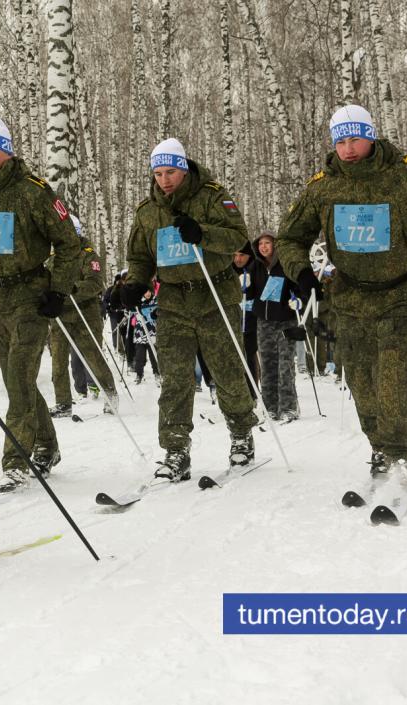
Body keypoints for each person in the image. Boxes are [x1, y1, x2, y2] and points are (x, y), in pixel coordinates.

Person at [276, 105, 407, 495]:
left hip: (402, 294)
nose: (348, 149)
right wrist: (302, 274)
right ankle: (380, 449)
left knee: (393, 377)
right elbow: (289, 237)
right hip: (349, 298)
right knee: (361, 382)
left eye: (355, 139)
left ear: (371, 136)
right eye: (340, 141)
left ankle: (402, 456)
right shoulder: (323, 186)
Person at [123, 138, 257, 480]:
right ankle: (175, 449)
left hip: (214, 296)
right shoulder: (147, 212)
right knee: (176, 380)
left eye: (171, 172)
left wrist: (203, 233)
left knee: (226, 372)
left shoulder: (212, 196)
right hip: (173, 301)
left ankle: (241, 433)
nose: (165, 180)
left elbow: (238, 238)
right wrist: (136, 284)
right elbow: (139, 256)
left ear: (184, 168)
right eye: (158, 173)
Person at [0, 116, 82, 492]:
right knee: (16, 379)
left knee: (17, 375)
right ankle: (47, 444)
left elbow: (69, 242)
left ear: (7, 152)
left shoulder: (33, 191)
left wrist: (59, 289)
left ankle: (16, 460)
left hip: (29, 293)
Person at [47, 215, 117, 417]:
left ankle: (110, 393)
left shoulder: (88, 255)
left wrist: (70, 290)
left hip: (85, 312)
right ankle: (63, 402)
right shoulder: (54, 257)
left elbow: (94, 283)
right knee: (58, 360)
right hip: (60, 315)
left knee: (92, 356)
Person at [245, 230, 300, 422]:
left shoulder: (285, 265)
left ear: (275, 245)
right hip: (264, 322)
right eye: (260, 244)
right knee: (267, 365)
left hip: (286, 319)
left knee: (285, 365)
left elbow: (298, 288)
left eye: (267, 243)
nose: (263, 247)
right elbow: (250, 292)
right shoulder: (255, 266)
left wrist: (297, 300)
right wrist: (244, 286)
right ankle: (270, 407)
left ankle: (289, 407)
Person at [232, 244, 259, 399]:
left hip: (251, 322)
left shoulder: (256, 269)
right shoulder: (229, 271)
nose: (238, 259)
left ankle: (252, 393)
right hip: (232, 320)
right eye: (235, 255)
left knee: (249, 356)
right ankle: (237, 394)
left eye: (242, 255)